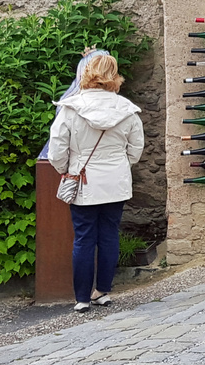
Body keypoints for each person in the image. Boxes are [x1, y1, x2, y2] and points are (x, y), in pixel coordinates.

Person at [48, 50, 146, 312]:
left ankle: (81, 298)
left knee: (84, 237)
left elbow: (56, 152)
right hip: (116, 183)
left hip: (83, 181)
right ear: (114, 76)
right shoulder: (127, 110)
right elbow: (135, 152)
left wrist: (67, 170)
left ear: (86, 73)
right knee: (109, 235)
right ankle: (102, 291)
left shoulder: (70, 109)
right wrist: (118, 166)